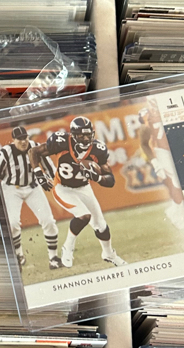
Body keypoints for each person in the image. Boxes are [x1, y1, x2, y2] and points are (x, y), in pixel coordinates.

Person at [30, 116, 126, 270]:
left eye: (88, 135)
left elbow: (110, 180)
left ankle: (109, 254)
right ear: (74, 134)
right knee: (84, 216)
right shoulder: (61, 141)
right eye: (82, 135)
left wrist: (97, 177)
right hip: (63, 188)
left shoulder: (98, 149)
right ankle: (68, 248)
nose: (86, 138)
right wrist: (38, 173)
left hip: (84, 188)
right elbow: (34, 151)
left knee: (101, 226)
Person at [0, 125, 62, 269]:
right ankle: (19, 254)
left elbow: (49, 167)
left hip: (33, 187)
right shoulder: (5, 153)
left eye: (24, 138)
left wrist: (57, 182)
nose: (23, 142)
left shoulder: (35, 147)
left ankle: (53, 258)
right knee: (12, 223)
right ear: (13, 140)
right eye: (19, 139)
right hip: (11, 188)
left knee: (48, 221)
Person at [137, 101, 184, 230]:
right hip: (162, 152)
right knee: (178, 181)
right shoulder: (147, 115)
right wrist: (155, 163)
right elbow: (144, 143)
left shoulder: (173, 107)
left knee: (180, 183)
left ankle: (175, 210)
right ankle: (177, 213)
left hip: (178, 150)